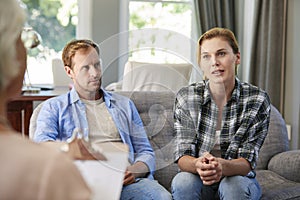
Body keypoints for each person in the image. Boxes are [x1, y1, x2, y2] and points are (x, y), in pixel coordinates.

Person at [33, 39, 172, 200]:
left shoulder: (124, 105)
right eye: (86, 67)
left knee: (162, 197)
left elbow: (145, 152)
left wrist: (134, 171)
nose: (95, 73)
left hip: (125, 183)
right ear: (69, 71)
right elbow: (42, 148)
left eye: (97, 65)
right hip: (79, 183)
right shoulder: (53, 108)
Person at [0, 0, 92, 199]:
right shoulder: (48, 170)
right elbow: (43, 142)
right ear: (11, 54)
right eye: (20, 39)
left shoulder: (124, 105)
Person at [171, 27, 271, 200]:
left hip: (237, 177)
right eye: (206, 56)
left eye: (221, 54)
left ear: (237, 57)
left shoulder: (257, 99)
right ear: (201, 64)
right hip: (197, 176)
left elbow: (246, 162)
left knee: (234, 187)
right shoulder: (186, 97)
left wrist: (221, 166)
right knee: (183, 183)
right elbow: (182, 155)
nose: (214, 62)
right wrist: (197, 164)